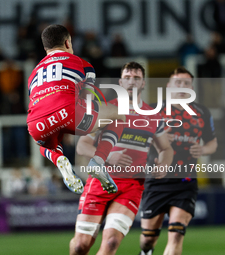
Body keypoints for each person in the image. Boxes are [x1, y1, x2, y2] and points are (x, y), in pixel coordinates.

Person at [70, 62, 173, 255]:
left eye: (136, 78)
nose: (131, 82)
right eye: (127, 78)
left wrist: (163, 164)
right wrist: (108, 156)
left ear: (143, 84)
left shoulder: (154, 116)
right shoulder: (105, 110)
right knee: (80, 246)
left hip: (131, 186)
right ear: (120, 82)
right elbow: (82, 146)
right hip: (99, 181)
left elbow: (166, 148)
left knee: (110, 244)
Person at [27, 24, 125, 194]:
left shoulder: (33, 74)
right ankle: (98, 161)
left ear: (45, 48)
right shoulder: (83, 64)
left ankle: (59, 160)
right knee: (119, 113)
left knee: (46, 141)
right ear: (67, 43)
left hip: (36, 124)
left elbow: (42, 105)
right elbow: (88, 100)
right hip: (71, 113)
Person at [138, 67, 218, 255]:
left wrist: (203, 149)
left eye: (186, 83)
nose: (182, 87)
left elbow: (212, 143)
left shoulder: (202, 113)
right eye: (178, 83)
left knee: (176, 234)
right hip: (156, 180)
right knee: (149, 238)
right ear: (169, 86)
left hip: (185, 182)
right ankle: (146, 251)